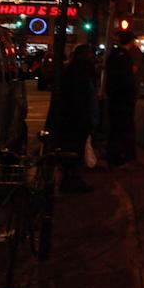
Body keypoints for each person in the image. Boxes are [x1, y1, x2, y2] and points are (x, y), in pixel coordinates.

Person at [53, 44, 98, 193]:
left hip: (72, 117)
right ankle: (71, 180)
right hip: (78, 117)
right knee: (75, 150)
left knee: (73, 149)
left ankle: (70, 178)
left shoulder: (71, 69)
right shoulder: (81, 71)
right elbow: (83, 97)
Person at [105, 30, 138, 168]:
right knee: (123, 129)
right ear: (130, 41)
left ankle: (113, 156)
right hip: (123, 99)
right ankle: (119, 158)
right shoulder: (124, 56)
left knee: (115, 129)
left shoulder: (113, 55)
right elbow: (126, 80)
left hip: (114, 97)